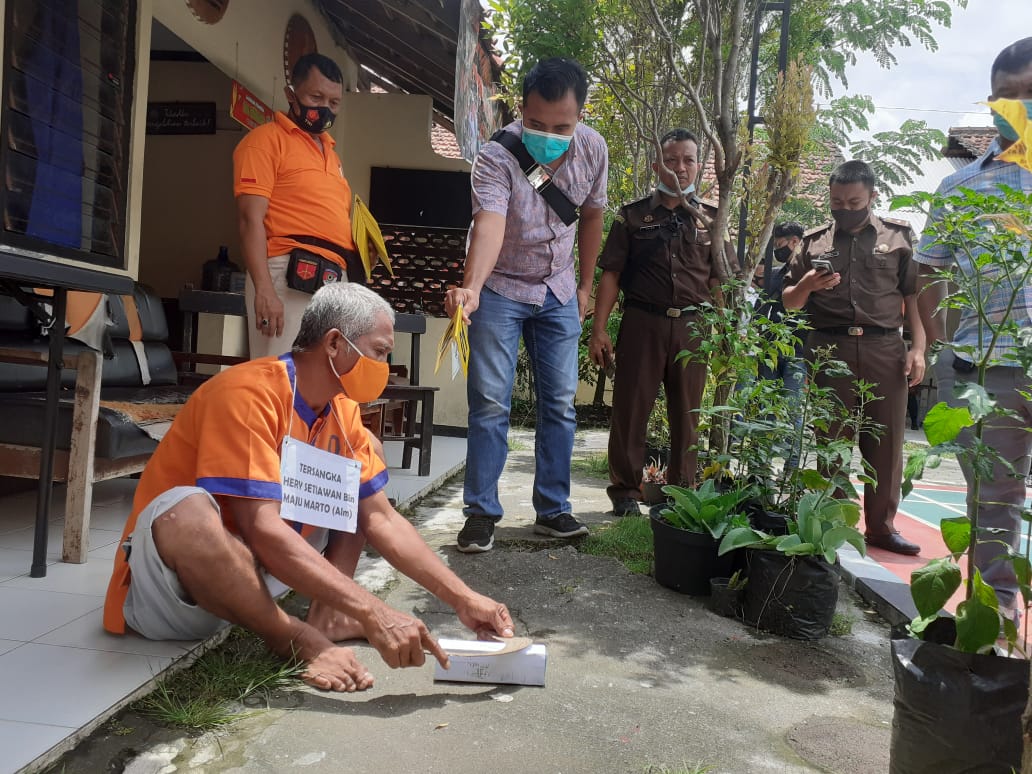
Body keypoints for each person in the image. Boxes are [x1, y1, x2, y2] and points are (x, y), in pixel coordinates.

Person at [103, 283, 514, 691]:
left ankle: (330, 615)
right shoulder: (247, 393)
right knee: (186, 511)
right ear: (335, 344)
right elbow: (261, 529)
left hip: (255, 575)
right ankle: (296, 639)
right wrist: (375, 611)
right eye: (379, 351)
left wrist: (464, 598)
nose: (384, 366)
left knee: (361, 459)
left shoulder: (342, 410)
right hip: (183, 588)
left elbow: (382, 519)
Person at [444, 57, 608, 552]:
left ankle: (553, 509)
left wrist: (583, 288)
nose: (548, 134)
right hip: (499, 289)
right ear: (521, 109)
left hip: (558, 290)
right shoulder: (497, 156)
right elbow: (489, 223)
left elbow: (594, 216)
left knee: (559, 403)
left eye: (562, 125)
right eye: (536, 123)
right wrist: (472, 287)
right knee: (490, 402)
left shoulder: (593, 148)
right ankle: (481, 513)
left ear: (580, 115)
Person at [914, 37, 1032, 612]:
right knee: (993, 499)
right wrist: (941, 344)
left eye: (1031, 94)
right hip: (988, 370)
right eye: (1007, 97)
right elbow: (929, 272)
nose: (1019, 107)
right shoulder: (961, 189)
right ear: (990, 104)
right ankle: (995, 617)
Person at [783, 160, 926, 555]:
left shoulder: (898, 239)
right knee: (831, 439)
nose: (845, 208)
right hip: (830, 350)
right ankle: (829, 524)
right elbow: (790, 303)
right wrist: (809, 284)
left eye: (854, 201)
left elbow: (912, 296)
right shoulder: (812, 243)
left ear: (872, 197)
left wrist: (918, 348)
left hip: (885, 348)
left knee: (887, 440)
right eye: (837, 202)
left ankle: (881, 528)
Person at [589, 128, 733, 518]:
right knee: (630, 408)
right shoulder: (633, 216)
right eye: (671, 160)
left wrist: (726, 333)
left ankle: (681, 492)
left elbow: (720, 280)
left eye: (688, 160)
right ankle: (625, 491)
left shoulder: (712, 219)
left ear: (699, 166)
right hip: (642, 322)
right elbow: (612, 275)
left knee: (688, 413)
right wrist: (599, 329)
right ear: (657, 165)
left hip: (693, 328)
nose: (680, 168)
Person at [234, 52, 361, 360]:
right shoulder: (265, 141)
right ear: (291, 94)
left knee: (321, 378)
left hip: (333, 279)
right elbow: (250, 219)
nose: (324, 109)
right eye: (315, 97)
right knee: (281, 375)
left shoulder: (332, 153)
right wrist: (265, 289)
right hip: (284, 274)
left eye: (333, 103)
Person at [754, 221, 807, 471]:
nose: (778, 249)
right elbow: (760, 311)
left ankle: (792, 466)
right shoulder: (774, 277)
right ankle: (761, 465)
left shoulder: (808, 279)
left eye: (781, 244)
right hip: (769, 352)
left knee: (792, 409)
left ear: (795, 242)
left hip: (797, 355)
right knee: (766, 408)